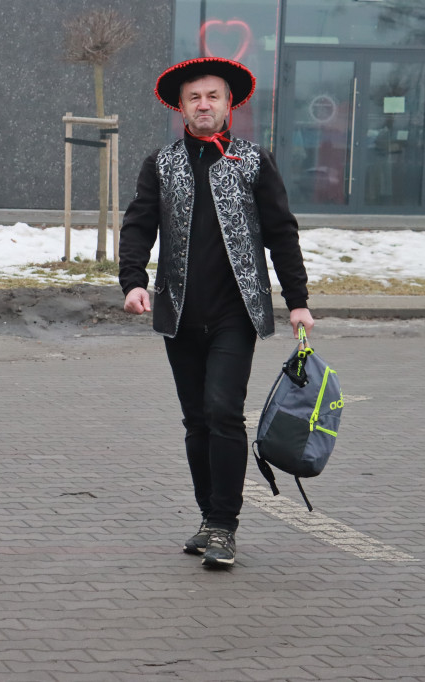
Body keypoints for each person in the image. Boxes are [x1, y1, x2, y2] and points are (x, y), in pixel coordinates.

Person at [119, 58, 314, 567]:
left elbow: (281, 232)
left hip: (236, 312)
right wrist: (134, 281)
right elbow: (138, 227)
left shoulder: (252, 161)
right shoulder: (160, 164)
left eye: (213, 96)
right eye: (194, 98)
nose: (203, 105)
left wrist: (297, 300)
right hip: (179, 312)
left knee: (224, 412)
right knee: (196, 420)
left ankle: (226, 526)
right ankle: (209, 517)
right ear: (180, 107)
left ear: (229, 104)